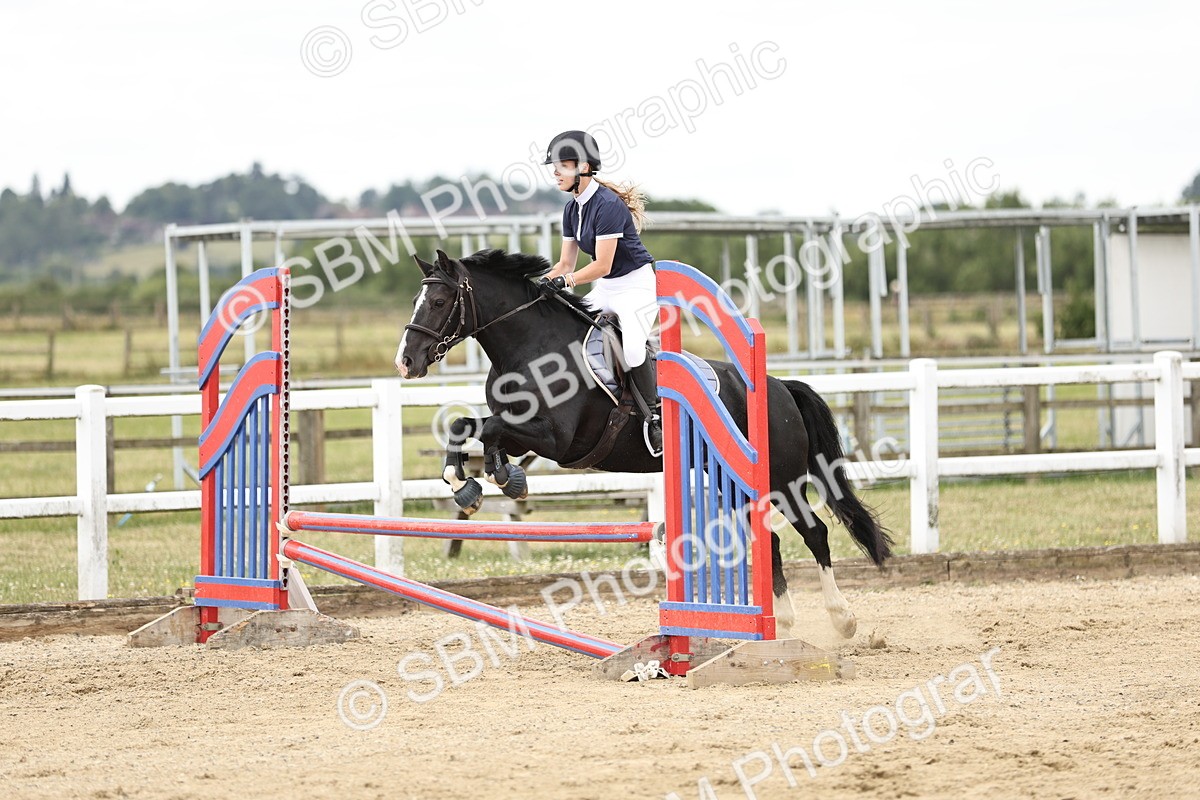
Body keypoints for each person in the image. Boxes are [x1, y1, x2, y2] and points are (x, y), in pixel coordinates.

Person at [538, 130, 662, 456]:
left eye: (560, 166)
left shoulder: (608, 206)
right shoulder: (571, 209)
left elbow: (603, 264)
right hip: (605, 288)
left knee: (634, 351)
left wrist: (565, 282)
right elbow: (566, 262)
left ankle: (654, 416)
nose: (554, 172)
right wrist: (539, 282)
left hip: (635, 286)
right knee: (569, 327)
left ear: (583, 167)